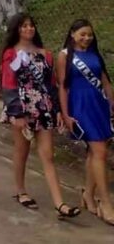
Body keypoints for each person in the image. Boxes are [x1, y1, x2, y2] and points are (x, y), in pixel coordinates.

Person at [0, 13, 80, 219]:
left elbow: (52, 84)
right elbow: (8, 84)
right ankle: (20, 190)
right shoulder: (11, 54)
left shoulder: (46, 54)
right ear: (17, 29)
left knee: (48, 156)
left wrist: (58, 111)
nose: (29, 29)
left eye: (31, 25)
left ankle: (59, 203)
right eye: (24, 26)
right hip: (22, 108)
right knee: (22, 151)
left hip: (43, 108)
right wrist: (16, 113)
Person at [58, 19, 114, 226]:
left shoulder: (94, 53)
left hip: (99, 105)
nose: (86, 38)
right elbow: (62, 87)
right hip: (80, 107)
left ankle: (88, 195)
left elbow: (105, 82)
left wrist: (112, 104)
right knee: (100, 152)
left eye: (89, 34)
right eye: (82, 34)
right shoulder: (65, 56)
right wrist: (65, 114)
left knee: (95, 152)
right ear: (72, 34)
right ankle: (106, 203)